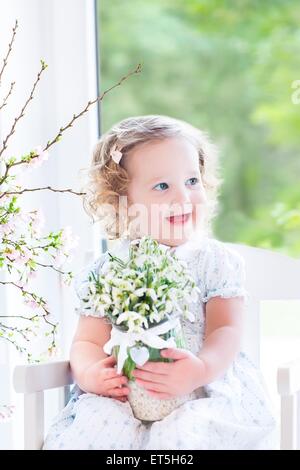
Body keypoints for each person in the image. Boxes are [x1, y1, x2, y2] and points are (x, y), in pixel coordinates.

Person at [43, 115, 278, 450]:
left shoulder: (213, 262)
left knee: (186, 433)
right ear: (123, 201)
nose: (183, 197)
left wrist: (201, 370)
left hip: (201, 385)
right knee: (98, 426)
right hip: (127, 392)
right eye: (163, 186)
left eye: (192, 181)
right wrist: (91, 373)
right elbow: (87, 342)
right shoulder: (108, 271)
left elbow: (225, 330)